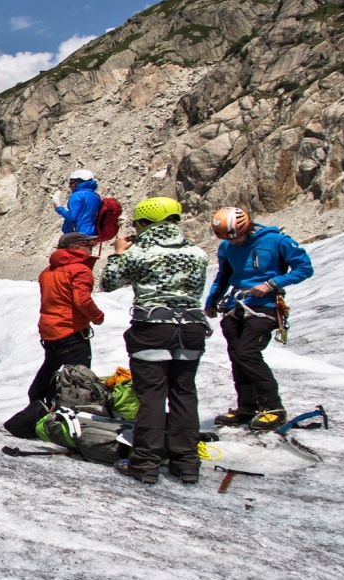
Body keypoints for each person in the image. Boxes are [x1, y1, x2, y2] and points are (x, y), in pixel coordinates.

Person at [98, 197, 210, 485]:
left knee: (152, 396)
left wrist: (120, 252)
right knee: (184, 392)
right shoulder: (197, 253)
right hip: (192, 327)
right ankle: (186, 462)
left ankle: (145, 462)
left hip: (153, 326)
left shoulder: (139, 253)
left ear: (145, 223)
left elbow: (109, 282)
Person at [203, 206, 315, 431]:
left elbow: (304, 268)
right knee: (237, 356)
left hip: (265, 306)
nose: (232, 243)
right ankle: (247, 407)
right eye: (226, 239)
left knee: (247, 353)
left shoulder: (277, 241)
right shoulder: (226, 246)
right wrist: (211, 301)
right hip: (237, 305)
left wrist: (271, 284)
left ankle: (273, 408)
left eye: (234, 238)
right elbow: (223, 275)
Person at [3, 232, 106, 439]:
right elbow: (82, 301)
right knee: (78, 378)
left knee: (50, 367)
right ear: (76, 247)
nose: (91, 248)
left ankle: (36, 405)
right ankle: (72, 423)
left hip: (50, 330)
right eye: (87, 244)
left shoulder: (48, 271)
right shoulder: (80, 270)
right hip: (71, 330)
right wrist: (98, 316)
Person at [54, 170, 102, 237]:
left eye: (71, 183)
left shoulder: (77, 195)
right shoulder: (95, 196)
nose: (69, 186)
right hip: (92, 233)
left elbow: (72, 216)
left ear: (77, 182)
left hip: (78, 235)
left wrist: (59, 209)